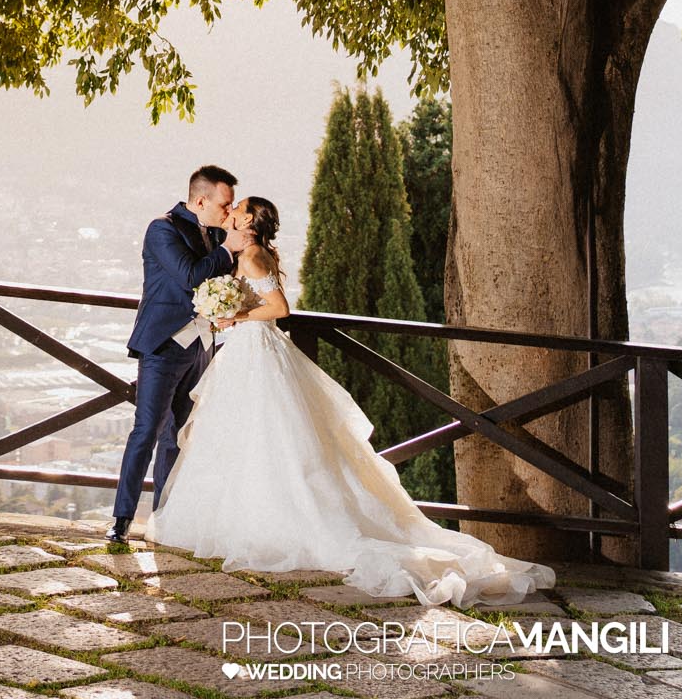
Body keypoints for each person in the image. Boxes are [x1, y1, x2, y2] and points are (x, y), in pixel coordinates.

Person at [144, 195, 558, 609]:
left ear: (249, 219)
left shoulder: (252, 256)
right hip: (249, 352)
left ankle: (274, 521)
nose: (231, 210)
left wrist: (235, 317)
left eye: (238, 207)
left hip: (256, 350)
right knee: (251, 436)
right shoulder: (255, 252)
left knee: (266, 435)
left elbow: (279, 308)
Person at [108, 165, 249, 546]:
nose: (228, 210)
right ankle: (121, 519)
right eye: (224, 203)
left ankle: (164, 518)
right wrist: (226, 250)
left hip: (202, 346)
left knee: (178, 437)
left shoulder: (218, 232)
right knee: (147, 430)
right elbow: (189, 275)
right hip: (163, 346)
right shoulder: (163, 228)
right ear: (200, 199)